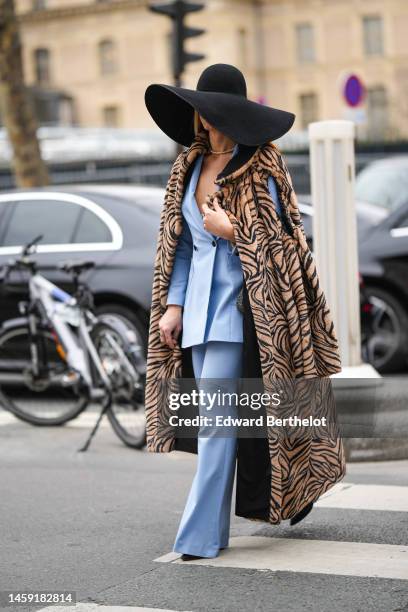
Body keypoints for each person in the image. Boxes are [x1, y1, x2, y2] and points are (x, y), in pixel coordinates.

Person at [144, 64, 346, 561]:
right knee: (228, 423)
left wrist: (231, 229)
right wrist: (172, 307)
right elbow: (184, 248)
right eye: (202, 113)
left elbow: (286, 243)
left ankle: (198, 537)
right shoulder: (186, 168)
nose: (206, 123)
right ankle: (262, 503)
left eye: (214, 115)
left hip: (248, 315)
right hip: (196, 315)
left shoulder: (263, 167)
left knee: (216, 422)